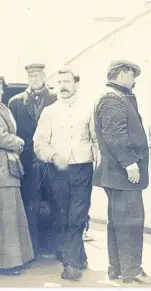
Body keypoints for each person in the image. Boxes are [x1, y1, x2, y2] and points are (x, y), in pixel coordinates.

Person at [93, 60, 151, 284]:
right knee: (131, 222)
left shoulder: (112, 96)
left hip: (115, 175)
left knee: (117, 223)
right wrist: (130, 163)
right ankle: (132, 270)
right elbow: (116, 135)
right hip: (122, 175)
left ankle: (118, 268)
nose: (134, 81)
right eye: (132, 75)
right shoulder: (113, 98)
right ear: (122, 74)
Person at [33, 69, 96, 281]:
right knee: (62, 215)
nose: (63, 85)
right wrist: (52, 156)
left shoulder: (89, 108)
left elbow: (96, 139)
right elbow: (39, 142)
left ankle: (70, 264)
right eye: (59, 82)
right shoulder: (49, 112)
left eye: (67, 81)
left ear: (76, 83)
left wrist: (99, 160)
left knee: (78, 215)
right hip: (57, 170)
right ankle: (77, 256)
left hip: (83, 167)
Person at [8, 63, 57, 258]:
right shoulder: (15, 102)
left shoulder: (55, 99)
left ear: (44, 75)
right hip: (28, 163)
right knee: (31, 205)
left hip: (53, 162)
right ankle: (34, 250)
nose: (33, 79)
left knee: (57, 203)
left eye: (37, 75)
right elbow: (14, 133)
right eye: (30, 76)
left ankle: (56, 249)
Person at [0, 76, 34, 275]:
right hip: (3, 168)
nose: (1, 92)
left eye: (1, 88)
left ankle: (11, 261)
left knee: (9, 215)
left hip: (8, 167)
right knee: (6, 216)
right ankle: (7, 263)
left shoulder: (3, 108)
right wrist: (19, 142)